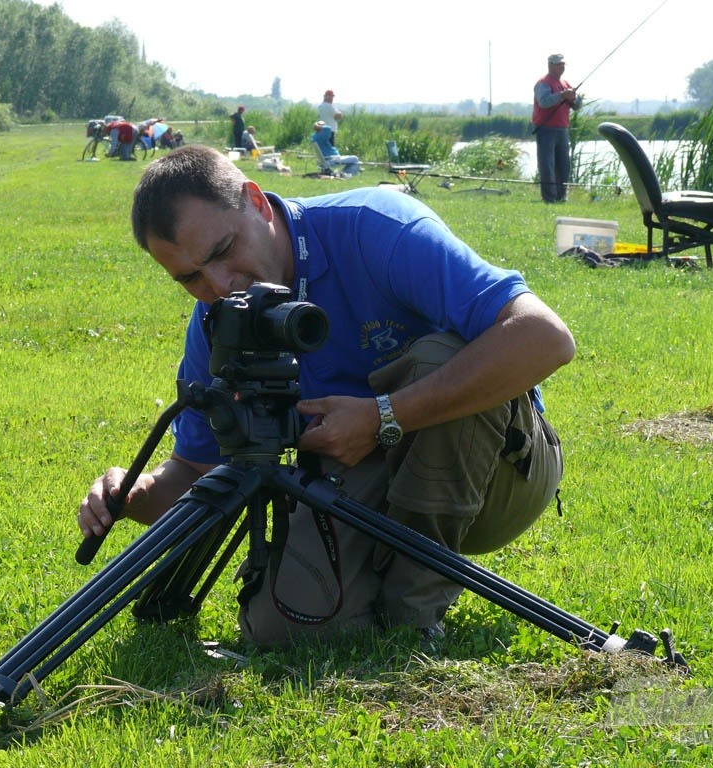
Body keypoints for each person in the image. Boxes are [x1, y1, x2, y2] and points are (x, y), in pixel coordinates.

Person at [78, 145, 575, 648]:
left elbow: (546, 338)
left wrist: (385, 416)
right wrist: (132, 493)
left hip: (500, 476)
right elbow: (196, 469)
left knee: (442, 357)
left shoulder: (374, 228)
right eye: (189, 278)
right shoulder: (218, 319)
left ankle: (413, 619)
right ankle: (376, 596)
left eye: (223, 250)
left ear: (255, 201)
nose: (220, 285)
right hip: (363, 479)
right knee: (284, 629)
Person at [532, 53, 582, 203]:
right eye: (559, 64)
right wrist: (562, 95)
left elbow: (578, 106)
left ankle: (562, 196)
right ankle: (549, 198)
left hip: (562, 129)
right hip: (545, 129)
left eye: (563, 64)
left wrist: (574, 98)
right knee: (547, 165)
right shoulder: (543, 83)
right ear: (550, 65)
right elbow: (544, 102)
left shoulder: (566, 84)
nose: (562, 67)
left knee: (563, 165)